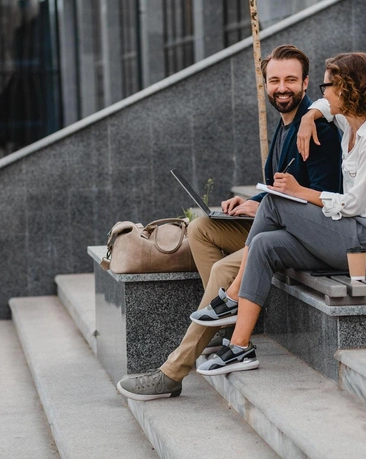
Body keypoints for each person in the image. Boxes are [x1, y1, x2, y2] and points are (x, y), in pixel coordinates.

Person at [116, 44, 342, 400]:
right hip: (274, 223)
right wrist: (251, 203)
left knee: (224, 270)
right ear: (265, 84)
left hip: (299, 238)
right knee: (202, 228)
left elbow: (328, 201)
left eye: (291, 80)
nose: (282, 88)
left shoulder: (316, 130)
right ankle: (227, 319)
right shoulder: (284, 128)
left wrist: (270, 204)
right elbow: (276, 189)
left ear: (306, 83)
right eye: (274, 80)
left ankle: (173, 371)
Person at [191, 52, 366, 375]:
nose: (323, 93)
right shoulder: (348, 126)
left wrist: (299, 192)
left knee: (276, 200)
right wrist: (309, 118)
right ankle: (239, 347)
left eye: (328, 86)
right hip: (346, 235)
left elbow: (353, 204)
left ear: (348, 89)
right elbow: (321, 108)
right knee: (264, 245)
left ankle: (234, 294)